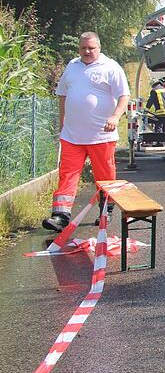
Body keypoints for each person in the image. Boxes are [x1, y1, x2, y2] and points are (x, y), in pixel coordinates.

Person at [42, 32, 130, 232]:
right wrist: (62, 120)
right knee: (67, 174)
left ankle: (105, 212)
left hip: (101, 135)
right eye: (84, 48)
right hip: (73, 135)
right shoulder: (72, 66)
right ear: (79, 48)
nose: (87, 52)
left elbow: (124, 96)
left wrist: (115, 117)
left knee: (105, 176)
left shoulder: (110, 67)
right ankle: (60, 216)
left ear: (99, 48)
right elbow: (62, 94)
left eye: (91, 48)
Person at [144, 78, 165, 146]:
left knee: (158, 127)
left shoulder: (154, 90)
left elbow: (151, 100)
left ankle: (159, 142)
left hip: (160, 112)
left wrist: (146, 109)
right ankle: (164, 142)